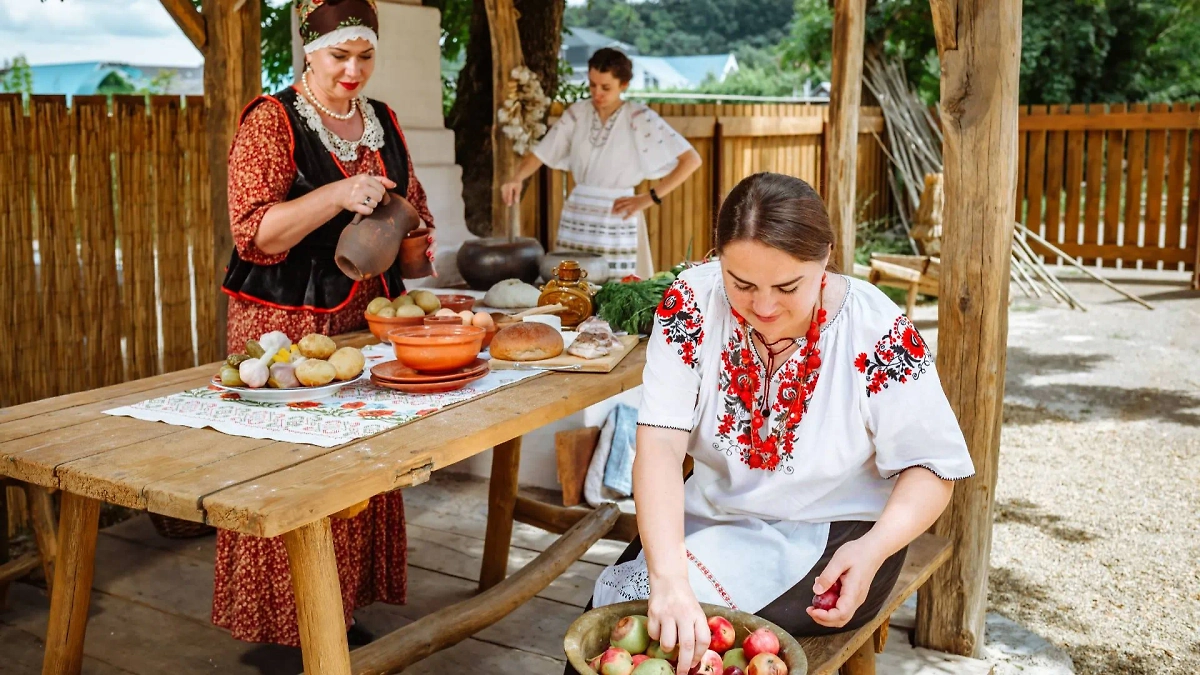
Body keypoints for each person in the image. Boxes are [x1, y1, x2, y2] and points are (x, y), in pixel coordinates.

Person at [573, 172, 974, 675]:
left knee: (691, 654)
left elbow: (933, 467)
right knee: (607, 633)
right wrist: (669, 576)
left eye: (788, 286)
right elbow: (659, 448)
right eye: (741, 283)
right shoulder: (691, 306)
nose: (763, 307)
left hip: (840, 537)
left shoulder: (875, 329)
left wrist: (872, 550)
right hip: (714, 516)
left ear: (825, 256)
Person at [213, 0, 429, 647]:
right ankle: (282, 628)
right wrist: (338, 193)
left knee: (358, 466)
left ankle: (337, 611)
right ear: (309, 52)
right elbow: (255, 233)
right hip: (282, 324)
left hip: (364, 318)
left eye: (365, 56)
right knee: (290, 471)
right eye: (340, 56)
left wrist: (415, 234)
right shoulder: (271, 119)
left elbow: (411, 207)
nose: (354, 70)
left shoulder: (382, 119)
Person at [501, 48, 702, 280]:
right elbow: (542, 152)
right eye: (592, 85)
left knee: (618, 293)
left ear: (624, 85)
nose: (598, 93)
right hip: (579, 214)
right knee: (571, 288)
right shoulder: (577, 113)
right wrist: (517, 177)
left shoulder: (639, 117)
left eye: (606, 87)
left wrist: (649, 197)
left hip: (619, 214)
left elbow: (691, 160)